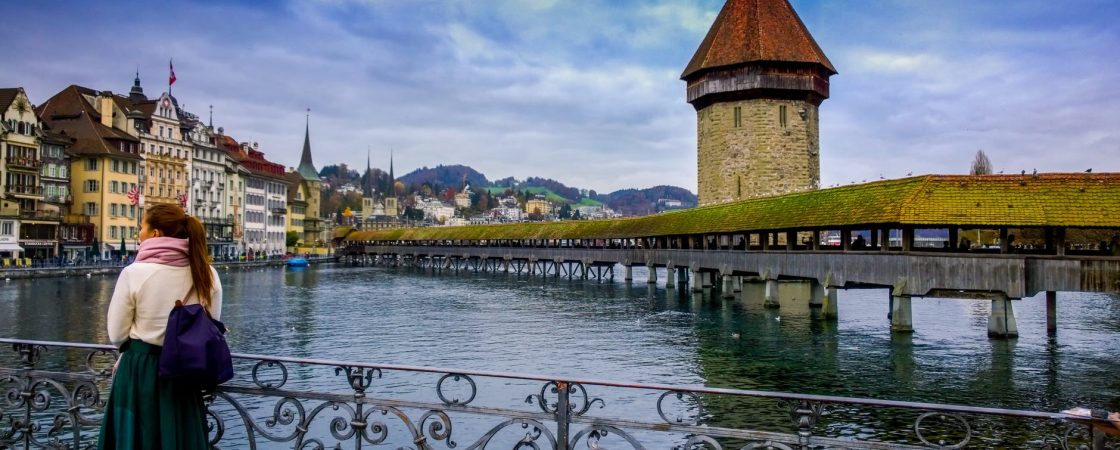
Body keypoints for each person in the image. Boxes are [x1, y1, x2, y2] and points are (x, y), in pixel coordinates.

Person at [98, 203, 223, 449]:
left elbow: (117, 334)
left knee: (135, 438)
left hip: (141, 370)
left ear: (155, 234)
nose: (138, 233)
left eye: (141, 227)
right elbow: (211, 327)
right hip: (185, 372)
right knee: (177, 437)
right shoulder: (207, 273)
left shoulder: (135, 272)